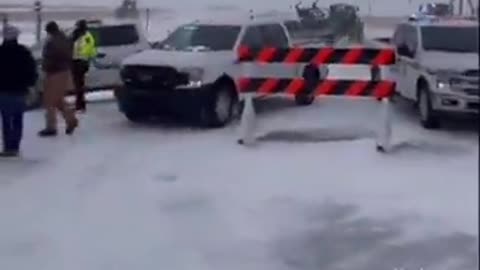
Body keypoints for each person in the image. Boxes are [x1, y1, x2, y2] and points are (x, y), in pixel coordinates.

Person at [0, 25, 38, 157]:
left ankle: (8, 147)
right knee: (18, 118)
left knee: (6, 120)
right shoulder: (24, 52)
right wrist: (31, 85)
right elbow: (32, 70)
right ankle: (15, 145)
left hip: (3, 90)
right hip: (19, 91)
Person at [38, 21, 78, 137]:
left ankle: (51, 127)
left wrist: (47, 64)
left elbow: (55, 56)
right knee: (57, 100)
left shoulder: (55, 41)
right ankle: (71, 120)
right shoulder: (63, 39)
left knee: (49, 101)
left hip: (56, 72)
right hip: (61, 72)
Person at [71, 19, 97, 112]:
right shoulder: (76, 35)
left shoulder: (85, 36)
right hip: (76, 61)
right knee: (78, 85)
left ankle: (80, 106)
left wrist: (87, 58)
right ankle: (79, 105)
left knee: (79, 85)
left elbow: (91, 48)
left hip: (80, 61)